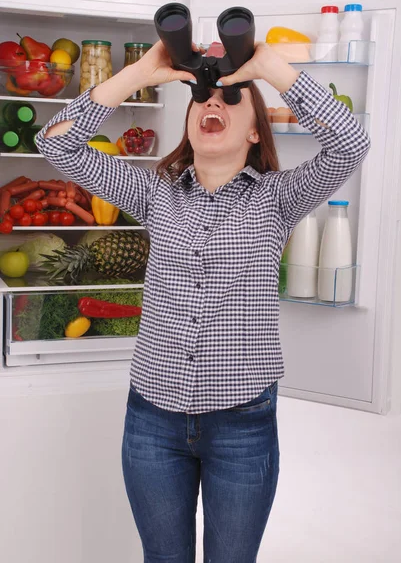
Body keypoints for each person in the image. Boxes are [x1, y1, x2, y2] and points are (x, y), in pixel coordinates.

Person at [36, 40, 370, 563]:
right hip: (152, 420)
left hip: (242, 422)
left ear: (256, 130)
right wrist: (142, 70)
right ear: (189, 121)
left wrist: (267, 68)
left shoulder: (278, 197)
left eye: (231, 99)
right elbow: (56, 146)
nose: (212, 104)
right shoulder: (154, 193)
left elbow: (350, 144)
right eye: (203, 98)